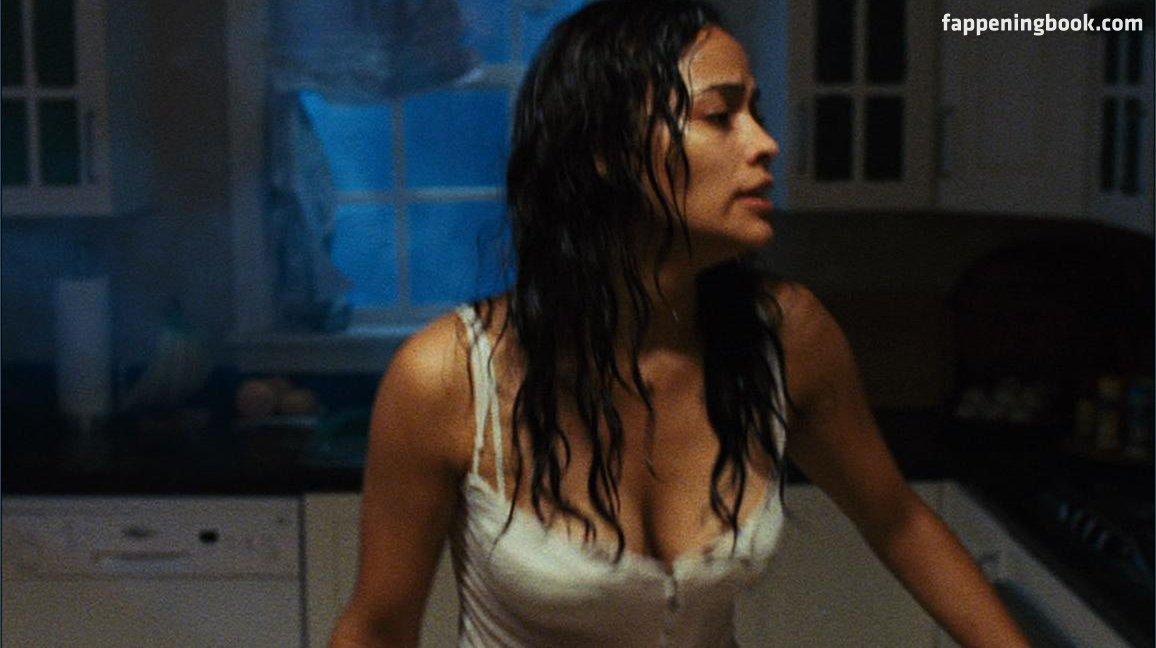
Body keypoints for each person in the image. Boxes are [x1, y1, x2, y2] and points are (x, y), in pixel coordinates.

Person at [330, 1, 1031, 646]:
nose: (766, 143)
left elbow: (899, 521)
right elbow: (378, 629)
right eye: (720, 115)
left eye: (756, 112)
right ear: (605, 152)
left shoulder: (786, 338)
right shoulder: (450, 377)